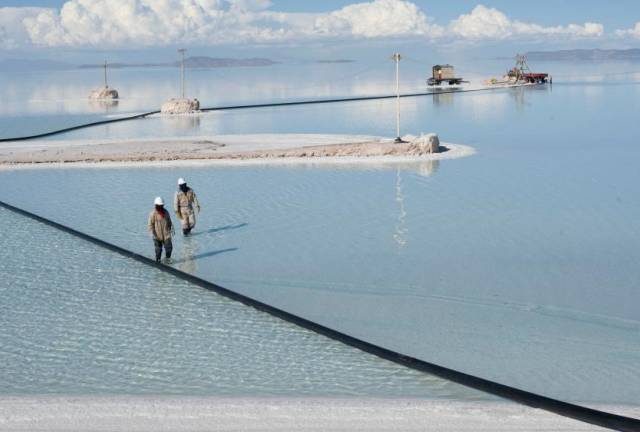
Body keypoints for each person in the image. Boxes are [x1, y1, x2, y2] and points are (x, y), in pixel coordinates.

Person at [148, 196, 174, 262]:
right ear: (156, 205)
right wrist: (152, 233)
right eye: (159, 205)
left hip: (166, 234)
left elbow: (169, 221)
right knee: (158, 250)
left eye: (161, 205)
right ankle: (158, 260)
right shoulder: (153, 214)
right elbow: (150, 225)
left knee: (169, 248)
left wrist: (171, 229)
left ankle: (167, 259)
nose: (160, 206)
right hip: (157, 235)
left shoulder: (166, 212)